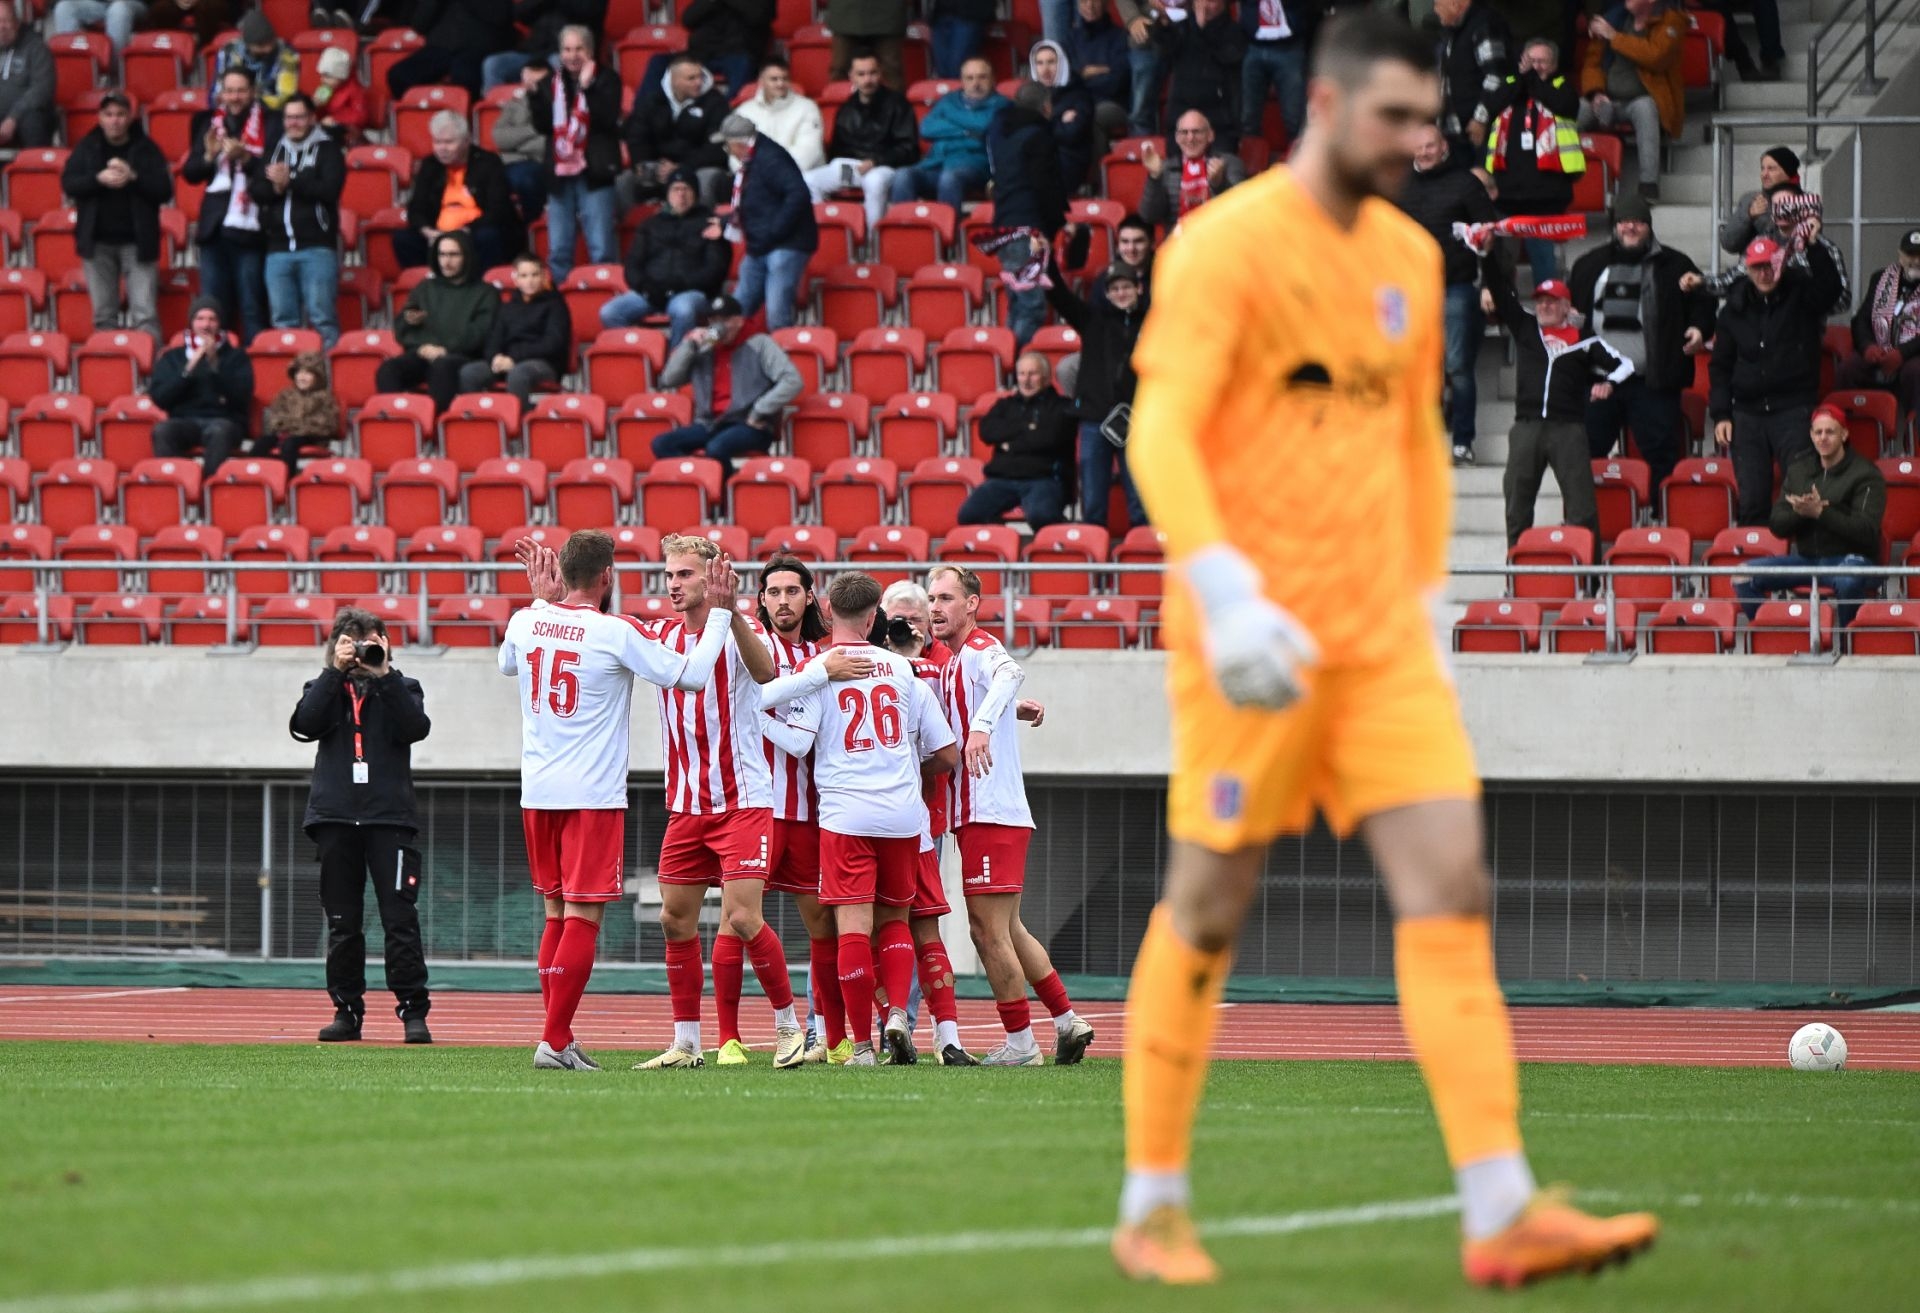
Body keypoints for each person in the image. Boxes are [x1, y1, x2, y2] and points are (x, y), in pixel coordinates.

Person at [1111, 12, 1657, 1287]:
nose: (1419, 141)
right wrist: (1226, 591)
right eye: (1397, 117)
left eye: (1429, 120)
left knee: (1452, 884)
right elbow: (1164, 432)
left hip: (1381, 644)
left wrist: (1429, 612)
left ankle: (1500, 1205)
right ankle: (1152, 1202)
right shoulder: (1225, 245)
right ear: (1327, 104)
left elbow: (1413, 444)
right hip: (1251, 638)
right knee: (1208, 904)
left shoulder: (1411, 256)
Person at [504, 531, 739, 1071]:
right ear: (607, 576)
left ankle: (558, 1037)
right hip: (591, 794)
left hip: (536, 790)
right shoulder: (614, 631)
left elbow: (508, 665)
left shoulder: (524, 619)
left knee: (555, 914)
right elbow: (692, 676)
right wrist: (722, 614)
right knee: (582, 917)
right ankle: (554, 1041)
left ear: (560, 573)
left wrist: (541, 602)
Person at [770, 570, 960, 1067]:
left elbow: (798, 743)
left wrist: (755, 719)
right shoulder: (904, 670)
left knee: (852, 929)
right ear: (874, 615)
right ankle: (896, 1014)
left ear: (827, 611)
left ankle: (859, 1047)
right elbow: (945, 750)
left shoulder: (819, 668)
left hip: (846, 814)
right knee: (896, 921)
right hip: (903, 815)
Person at [632, 534, 807, 1071]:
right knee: (673, 919)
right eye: (669, 575)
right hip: (687, 804)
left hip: (742, 801)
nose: (673, 585)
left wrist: (730, 615)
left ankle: (788, 1028)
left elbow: (767, 672)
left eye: (684, 574)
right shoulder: (660, 634)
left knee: (743, 917)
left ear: (711, 579)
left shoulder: (743, 629)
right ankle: (686, 1042)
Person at [926, 565, 1094, 1067]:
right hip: (987, 813)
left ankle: (1021, 1043)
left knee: (986, 932)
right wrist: (1009, 710)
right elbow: (988, 692)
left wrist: (983, 726)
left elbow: (1009, 671)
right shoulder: (957, 660)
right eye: (932, 598)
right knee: (1011, 928)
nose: (935, 607)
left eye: (946, 598)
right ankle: (1066, 1021)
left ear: (972, 604)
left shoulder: (979, 647)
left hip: (989, 811)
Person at [290, 607, 433, 1045]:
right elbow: (304, 724)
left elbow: (415, 728)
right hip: (335, 819)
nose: (361, 653)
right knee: (342, 923)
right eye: (352, 644)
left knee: (400, 920)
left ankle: (413, 1012)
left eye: (370, 643)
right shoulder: (323, 689)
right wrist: (334, 672)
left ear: (385, 645)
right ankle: (346, 1012)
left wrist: (383, 673)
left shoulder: (403, 687)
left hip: (388, 819)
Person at [753, 556, 844, 1064]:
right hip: (758, 808)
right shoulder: (755, 647)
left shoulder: (825, 654)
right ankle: (729, 1040)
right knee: (738, 918)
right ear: (762, 600)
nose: (783, 600)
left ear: (810, 597)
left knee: (823, 925)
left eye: (792, 591)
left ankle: (828, 1037)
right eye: (774, 591)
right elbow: (747, 699)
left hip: (811, 811)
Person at [1567, 191, 1715, 489]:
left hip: (1652, 382)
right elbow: (1569, 313)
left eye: (1638, 221)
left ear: (1649, 225)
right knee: (1584, 455)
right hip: (1599, 381)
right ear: (1615, 225)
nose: (1630, 227)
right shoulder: (1588, 265)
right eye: (1624, 221)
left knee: (1662, 456)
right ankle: (1585, 515)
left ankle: (1661, 515)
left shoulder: (1675, 264)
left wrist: (1699, 328)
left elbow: (1704, 300)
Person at [1706, 232, 1846, 526]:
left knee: (1802, 496)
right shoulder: (1733, 309)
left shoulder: (1802, 294)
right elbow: (1720, 366)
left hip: (1793, 409)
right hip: (1747, 414)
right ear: (1747, 269)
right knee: (1752, 500)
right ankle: (1754, 556)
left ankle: (1804, 555)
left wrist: (1813, 245)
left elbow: (1832, 288)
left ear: (1781, 264)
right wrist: (1721, 414)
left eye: (1770, 265)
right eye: (1757, 267)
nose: (1764, 273)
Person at [1480, 276, 1631, 546]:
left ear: (1566, 307)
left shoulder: (1584, 340)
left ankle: (1588, 570)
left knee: (1582, 507)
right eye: (1540, 301)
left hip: (1568, 429)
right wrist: (1487, 257)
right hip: (1527, 427)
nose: (1545, 307)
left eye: (1552, 302)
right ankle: (1515, 567)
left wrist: (1609, 384)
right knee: (1517, 504)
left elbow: (1625, 364)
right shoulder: (1526, 327)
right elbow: (1502, 293)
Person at [1398, 123, 1501, 466]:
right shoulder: (1398, 184)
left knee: (1457, 367)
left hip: (1456, 287)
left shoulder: (1466, 184)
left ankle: (1462, 442)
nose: (1424, 152)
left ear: (1444, 147)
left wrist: (1490, 284)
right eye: (1419, 146)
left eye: (1430, 146)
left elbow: (1490, 236)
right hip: (1410, 292)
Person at [1733, 405, 1887, 621]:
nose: (1823, 438)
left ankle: (1848, 640)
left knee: (1848, 581)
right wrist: (1800, 512)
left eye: (1830, 432)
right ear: (1811, 435)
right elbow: (1776, 525)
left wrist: (1821, 512)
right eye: (1818, 432)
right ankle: (1777, 633)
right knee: (1742, 576)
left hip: (1851, 560)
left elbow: (1866, 531)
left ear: (1844, 434)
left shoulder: (1866, 474)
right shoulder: (1799, 470)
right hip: (1806, 559)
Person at [63, 91, 171, 346]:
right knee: (104, 316)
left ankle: (149, 364)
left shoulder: (146, 148)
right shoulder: (87, 146)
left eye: (120, 114)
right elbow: (69, 184)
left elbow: (164, 190)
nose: (115, 120)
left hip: (138, 242)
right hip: (97, 242)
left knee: (145, 315)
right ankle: (109, 367)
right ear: (100, 117)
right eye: (109, 114)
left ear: (130, 117)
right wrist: (97, 179)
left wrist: (134, 177)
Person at [1047, 261, 1150, 530]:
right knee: (1092, 502)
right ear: (1106, 293)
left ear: (1139, 288)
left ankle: (1142, 552)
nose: (1120, 293)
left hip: (1137, 421)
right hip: (1095, 420)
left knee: (1141, 501)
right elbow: (1058, 295)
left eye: (1126, 287)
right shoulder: (1093, 319)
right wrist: (1046, 260)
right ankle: (1093, 552)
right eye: (1114, 289)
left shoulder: (1154, 323)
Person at [182, 67, 278, 346]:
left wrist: (245, 158)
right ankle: (214, 364)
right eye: (229, 91)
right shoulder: (209, 123)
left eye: (241, 91)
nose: (235, 97)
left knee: (252, 307)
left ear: (253, 92)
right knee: (213, 310)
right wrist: (209, 156)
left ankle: (255, 366)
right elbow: (190, 173)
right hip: (214, 231)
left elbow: (273, 172)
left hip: (252, 231)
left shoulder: (271, 122)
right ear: (221, 93)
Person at [651, 294, 804, 467]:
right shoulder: (706, 347)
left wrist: (759, 410)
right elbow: (669, 379)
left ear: (739, 321)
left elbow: (792, 381)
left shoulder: (760, 343)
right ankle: (697, 477)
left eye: (724, 320)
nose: (719, 326)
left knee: (716, 448)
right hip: (710, 423)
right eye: (714, 320)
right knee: (662, 444)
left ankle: (723, 483)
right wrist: (690, 345)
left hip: (749, 423)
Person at [1483, 38, 1583, 286]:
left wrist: (1530, 79)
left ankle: (1548, 306)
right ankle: (1504, 306)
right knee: (1501, 262)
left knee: (1544, 262)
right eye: (1531, 61)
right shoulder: (1510, 84)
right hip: (1506, 194)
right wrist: (1521, 78)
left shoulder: (1562, 86)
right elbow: (1492, 105)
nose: (1535, 67)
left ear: (1554, 65)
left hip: (1546, 195)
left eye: (1542, 62)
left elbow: (1563, 104)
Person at [250, 93, 345, 348]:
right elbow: (257, 191)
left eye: (300, 117)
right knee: (282, 321)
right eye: (289, 117)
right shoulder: (274, 150)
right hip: (277, 249)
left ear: (312, 118)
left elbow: (330, 190)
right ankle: (290, 371)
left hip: (317, 247)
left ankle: (326, 370)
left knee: (322, 318)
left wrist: (290, 180)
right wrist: (277, 188)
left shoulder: (329, 149)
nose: (294, 123)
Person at [528, 26, 622, 284]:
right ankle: (561, 300)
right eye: (567, 49)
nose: (572, 55)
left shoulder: (607, 79)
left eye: (578, 49)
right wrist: (534, 96)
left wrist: (587, 89)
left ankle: (604, 296)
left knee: (601, 247)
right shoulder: (550, 82)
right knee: (558, 249)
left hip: (595, 171)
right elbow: (542, 126)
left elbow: (606, 118)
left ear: (590, 50)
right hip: (560, 174)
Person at [376, 230, 501, 412]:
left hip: (463, 356)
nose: (446, 261)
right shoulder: (425, 288)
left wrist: (445, 349)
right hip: (424, 352)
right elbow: (401, 327)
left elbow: (480, 333)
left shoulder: (486, 292)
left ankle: (438, 423)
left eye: (453, 255)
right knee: (388, 370)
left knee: (442, 368)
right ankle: (397, 422)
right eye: (442, 254)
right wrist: (413, 329)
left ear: (467, 256)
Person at [598, 170, 730, 343]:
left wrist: (681, 285)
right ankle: (647, 349)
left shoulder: (710, 223)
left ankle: (678, 357)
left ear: (696, 194)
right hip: (652, 292)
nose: (681, 195)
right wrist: (646, 287)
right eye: (676, 189)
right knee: (610, 312)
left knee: (683, 310)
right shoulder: (650, 224)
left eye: (686, 189)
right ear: (667, 194)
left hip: (691, 291)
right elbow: (632, 264)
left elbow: (716, 268)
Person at [714, 114, 818, 332]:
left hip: (785, 244)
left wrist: (774, 231)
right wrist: (726, 221)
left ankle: (784, 353)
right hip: (760, 244)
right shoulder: (756, 158)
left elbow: (798, 194)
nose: (728, 151)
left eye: (727, 145)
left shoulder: (771, 158)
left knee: (777, 315)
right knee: (736, 310)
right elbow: (755, 201)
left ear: (738, 144)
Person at [1576, 0, 1686, 202]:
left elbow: (1656, 56)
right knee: (1576, 109)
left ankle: (1648, 185)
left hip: (1641, 100)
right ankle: (1559, 177)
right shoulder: (1614, 19)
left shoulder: (1671, 21)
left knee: (1645, 108)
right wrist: (1597, 93)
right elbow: (1592, 64)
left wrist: (1614, 37)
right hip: (1606, 98)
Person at [985, 82, 1068, 350]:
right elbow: (1045, 186)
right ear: (1046, 107)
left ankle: (1008, 362)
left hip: (1004, 226)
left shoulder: (1003, 137)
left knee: (1018, 304)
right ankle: (1017, 362)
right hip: (1027, 228)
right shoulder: (1039, 137)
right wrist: (1056, 223)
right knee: (1032, 307)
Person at [959, 353, 1077, 529]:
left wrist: (1009, 443)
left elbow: (1050, 439)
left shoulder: (1062, 406)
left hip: (1043, 479)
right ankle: (1000, 542)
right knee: (968, 515)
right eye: (1022, 374)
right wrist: (1028, 428)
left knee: (1041, 516)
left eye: (1033, 374)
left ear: (1046, 377)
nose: (1026, 380)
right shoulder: (1004, 405)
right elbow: (987, 431)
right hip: (1002, 478)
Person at [802, 52, 919, 229]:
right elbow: (838, 148)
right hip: (853, 170)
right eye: (861, 74)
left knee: (874, 182)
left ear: (880, 73)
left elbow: (908, 148)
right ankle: (825, 231)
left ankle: (873, 238)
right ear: (851, 76)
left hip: (884, 167)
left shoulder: (898, 104)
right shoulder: (847, 107)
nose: (867, 79)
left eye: (872, 73)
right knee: (808, 180)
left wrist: (875, 161)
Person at [395, 112, 521, 272]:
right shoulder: (430, 165)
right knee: (403, 238)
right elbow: (416, 208)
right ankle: (429, 281)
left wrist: (465, 231)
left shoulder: (488, 163)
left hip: (475, 231)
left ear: (466, 141)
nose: (442, 148)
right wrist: (428, 231)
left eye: (449, 142)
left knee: (488, 236)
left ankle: (483, 282)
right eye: (437, 142)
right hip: (438, 233)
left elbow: (498, 210)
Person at [149, 298, 253, 476]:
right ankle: (180, 483)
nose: (206, 325)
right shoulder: (172, 357)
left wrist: (214, 366)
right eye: (200, 318)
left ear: (220, 324)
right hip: (185, 420)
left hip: (224, 420)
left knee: (220, 431)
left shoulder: (236, 357)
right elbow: (160, 398)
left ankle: (209, 487)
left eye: (212, 319)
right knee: (163, 431)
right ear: (191, 323)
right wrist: (188, 369)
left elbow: (242, 397)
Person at [889, 58, 1008, 209]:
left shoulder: (1002, 104)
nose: (976, 83)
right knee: (902, 175)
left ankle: (948, 224)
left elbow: (983, 125)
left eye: (982, 77)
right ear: (962, 81)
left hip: (974, 166)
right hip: (936, 164)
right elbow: (926, 128)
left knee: (949, 178)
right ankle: (905, 223)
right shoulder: (949, 101)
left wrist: (949, 117)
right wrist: (966, 131)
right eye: (970, 78)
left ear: (993, 79)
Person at [620, 54, 731, 211]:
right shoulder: (652, 101)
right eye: (691, 78)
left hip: (695, 168)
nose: (699, 82)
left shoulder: (715, 103)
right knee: (624, 181)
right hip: (657, 169)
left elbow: (717, 148)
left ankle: (700, 222)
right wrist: (646, 164)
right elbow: (637, 137)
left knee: (707, 178)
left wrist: (681, 166)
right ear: (674, 80)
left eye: (700, 76)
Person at [459, 252, 570, 405]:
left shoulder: (556, 305)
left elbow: (552, 343)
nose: (530, 280)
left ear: (543, 277)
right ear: (516, 280)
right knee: (470, 372)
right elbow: (493, 339)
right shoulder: (507, 307)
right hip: (508, 361)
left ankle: (518, 418)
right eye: (524, 276)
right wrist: (495, 358)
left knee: (519, 374)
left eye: (534, 275)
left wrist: (514, 358)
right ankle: (478, 417)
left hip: (544, 363)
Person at [1841, 228, 1920, 427]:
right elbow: (1861, 320)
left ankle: (1914, 433)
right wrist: (1867, 347)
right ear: (1900, 254)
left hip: (1912, 354)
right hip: (1880, 349)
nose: (1916, 261)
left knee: (1916, 372)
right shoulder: (1881, 279)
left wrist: (1902, 353)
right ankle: (1851, 428)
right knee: (1848, 369)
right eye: (1910, 254)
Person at [1154, 0, 1247, 151]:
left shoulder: (1234, 31)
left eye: (1211, 1)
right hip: (1181, 114)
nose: (1204, 6)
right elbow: (1165, 49)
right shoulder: (1182, 27)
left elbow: (1228, 56)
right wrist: (1164, 23)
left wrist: (1203, 29)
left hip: (1219, 121)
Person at [1136, 110, 1246, 230]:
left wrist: (1220, 184)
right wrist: (1155, 177)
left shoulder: (1229, 163)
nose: (1190, 138)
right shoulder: (1166, 167)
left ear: (1210, 135)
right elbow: (1149, 216)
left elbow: (1242, 210)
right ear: (1177, 138)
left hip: (1217, 238)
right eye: (1184, 132)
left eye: (1197, 132)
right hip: (1179, 240)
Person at [385, 0, 517, 100]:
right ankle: (424, 117)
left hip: (480, 45)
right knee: (399, 75)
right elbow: (419, 24)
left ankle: (463, 122)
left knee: (463, 74)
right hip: (442, 45)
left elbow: (500, 16)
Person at [1433, 0, 1510, 168]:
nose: (1435, 10)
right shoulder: (1452, 31)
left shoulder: (1484, 25)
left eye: (1437, 4)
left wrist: (1480, 119)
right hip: (1456, 132)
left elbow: (1496, 76)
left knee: (1481, 179)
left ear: (1454, 4)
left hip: (1480, 131)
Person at [480, 0, 610, 92]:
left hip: (570, 52)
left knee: (558, 62)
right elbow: (519, 14)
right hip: (535, 51)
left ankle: (564, 116)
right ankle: (502, 117)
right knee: (493, 65)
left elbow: (589, 11)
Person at [1239, 0, 1313, 147]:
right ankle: (1251, 158)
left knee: (1295, 118)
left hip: (1289, 46)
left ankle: (1300, 157)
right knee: (1248, 118)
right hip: (1252, 45)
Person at [258, 349, 342, 473]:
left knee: (290, 444)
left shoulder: (325, 398)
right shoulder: (285, 395)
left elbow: (327, 425)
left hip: (312, 438)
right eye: (299, 372)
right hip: (285, 434)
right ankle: (257, 478)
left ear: (318, 376)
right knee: (261, 443)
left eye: (308, 373)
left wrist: (294, 427)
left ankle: (287, 479)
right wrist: (291, 426)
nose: (302, 377)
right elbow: (276, 418)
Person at [1029, 40, 1096, 194]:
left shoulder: (1080, 96)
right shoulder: (1029, 96)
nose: (1045, 69)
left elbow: (1071, 134)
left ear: (1062, 64)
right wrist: (1057, 121)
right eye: (1039, 63)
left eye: (1051, 62)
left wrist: (1042, 124)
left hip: (1067, 161)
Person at [738, 58, 825, 173]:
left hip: (802, 176)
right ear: (761, 81)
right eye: (774, 79)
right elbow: (737, 150)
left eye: (785, 79)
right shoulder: (745, 111)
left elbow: (808, 152)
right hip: (756, 177)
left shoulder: (807, 107)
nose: (780, 84)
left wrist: (774, 174)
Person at [1064, 0, 1133, 143]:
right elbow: (1067, 79)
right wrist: (1103, 70)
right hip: (1079, 102)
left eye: (1095, 1)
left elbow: (1117, 82)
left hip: (1112, 104)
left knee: (1093, 116)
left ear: (1105, 3)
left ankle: (1099, 159)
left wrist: (1084, 76)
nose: (1089, 6)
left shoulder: (1120, 36)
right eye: (1084, 1)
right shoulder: (1071, 38)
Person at [1719, 145, 1803, 258]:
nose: (1764, 174)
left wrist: (1768, 218)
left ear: (1788, 172)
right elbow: (1728, 244)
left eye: (1771, 169)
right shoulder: (1751, 199)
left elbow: (1801, 243)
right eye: (1762, 168)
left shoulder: (1806, 202)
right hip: (1752, 266)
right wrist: (1748, 216)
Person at [208, 10, 299, 112]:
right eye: (260, 45)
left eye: (270, 42)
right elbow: (218, 93)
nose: (268, 48)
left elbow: (286, 97)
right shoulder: (229, 51)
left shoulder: (287, 54)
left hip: (270, 112)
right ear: (247, 44)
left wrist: (253, 99)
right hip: (232, 108)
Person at [685, 0, 774, 96]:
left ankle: (728, 104)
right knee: (677, 67)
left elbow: (758, 16)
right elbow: (688, 20)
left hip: (740, 53)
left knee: (739, 86)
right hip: (704, 52)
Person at [493, 71, 549, 224]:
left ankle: (530, 228)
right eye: (527, 82)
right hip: (510, 163)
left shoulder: (557, 106)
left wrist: (515, 144)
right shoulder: (513, 105)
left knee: (526, 181)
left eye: (536, 82)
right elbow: (500, 139)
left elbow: (547, 144)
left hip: (540, 162)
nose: (530, 86)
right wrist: (534, 129)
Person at [824, 0, 909, 89]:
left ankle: (895, 98)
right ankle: (838, 97)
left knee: (891, 70)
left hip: (888, 12)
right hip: (845, 12)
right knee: (840, 68)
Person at [312, 45, 369, 146]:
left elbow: (360, 117)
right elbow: (320, 115)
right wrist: (315, 106)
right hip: (326, 129)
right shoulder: (325, 89)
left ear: (341, 76)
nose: (323, 80)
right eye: (322, 75)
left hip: (348, 133)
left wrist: (336, 120)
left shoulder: (354, 90)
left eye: (328, 76)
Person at [51, 1, 151, 56]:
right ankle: (74, 66)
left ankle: (114, 71)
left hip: (130, 3)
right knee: (64, 7)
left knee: (118, 10)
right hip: (96, 4)